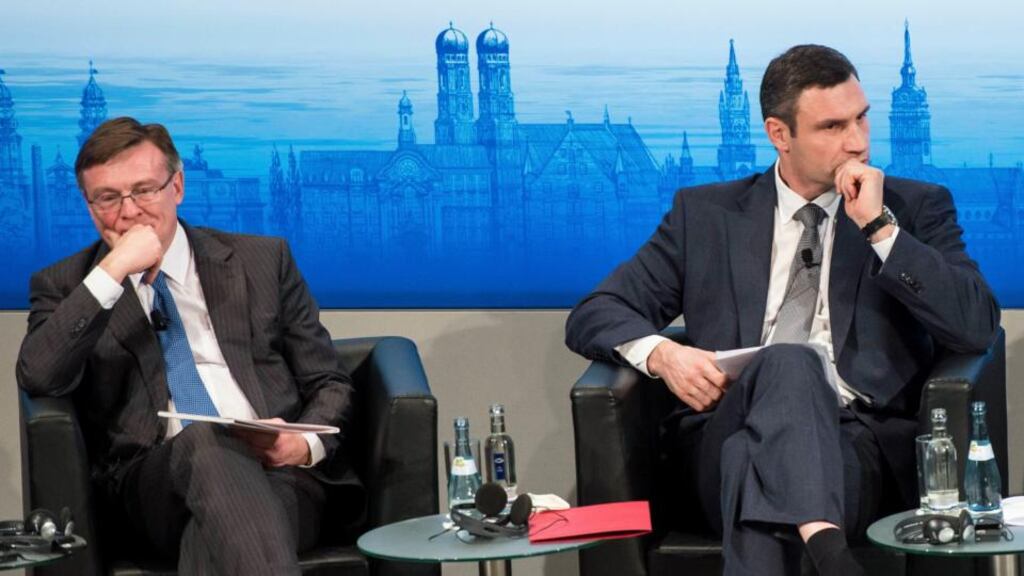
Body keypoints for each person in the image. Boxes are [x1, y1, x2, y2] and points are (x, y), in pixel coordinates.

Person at [565, 45, 999, 576]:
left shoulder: (913, 208)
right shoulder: (706, 216)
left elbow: (976, 326)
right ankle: (830, 552)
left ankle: (825, 547)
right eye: (832, 127)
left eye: (861, 118)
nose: (858, 141)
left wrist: (881, 230)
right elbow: (597, 311)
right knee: (788, 364)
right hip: (723, 428)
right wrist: (663, 356)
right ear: (779, 134)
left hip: (852, 444)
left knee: (753, 458)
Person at [17, 117, 357, 575]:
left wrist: (302, 445)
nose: (129, 211)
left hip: (282, 475)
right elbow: (38, 374)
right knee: (206, 441)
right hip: (154, 488)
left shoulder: (262, 260)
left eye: (144, 190)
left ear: (176, 186)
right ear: (89, 206)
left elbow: (329, 380)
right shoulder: (67, 286)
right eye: (108, 198)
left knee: (217, 531)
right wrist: (113, 271)